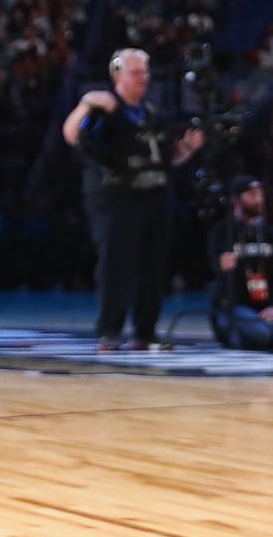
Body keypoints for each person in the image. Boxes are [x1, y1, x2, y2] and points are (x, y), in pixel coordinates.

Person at [62, 47, 205, 351]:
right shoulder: (105, 108)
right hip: (118, 197)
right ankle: (110, 330)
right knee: (117, 264)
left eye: (146, 72)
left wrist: (188, 149)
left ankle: (145, 331)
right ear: (118, 75)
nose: (144, 78)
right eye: (136, 72)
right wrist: (85, 104)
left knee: (153, 266)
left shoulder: (152, 114)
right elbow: (72, 135)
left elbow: (167, 159)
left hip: (155, 196)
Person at [207, 175, 273, 351]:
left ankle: (259, 326)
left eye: (260, 195)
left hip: (264, 303)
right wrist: (221, 266)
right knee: (260, 335)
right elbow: (213, 267)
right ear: (236, 200)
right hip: (236, 304)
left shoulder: (272, 235)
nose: (258, 200)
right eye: (251, 195)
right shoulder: (222, 232)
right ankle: (229, 327)